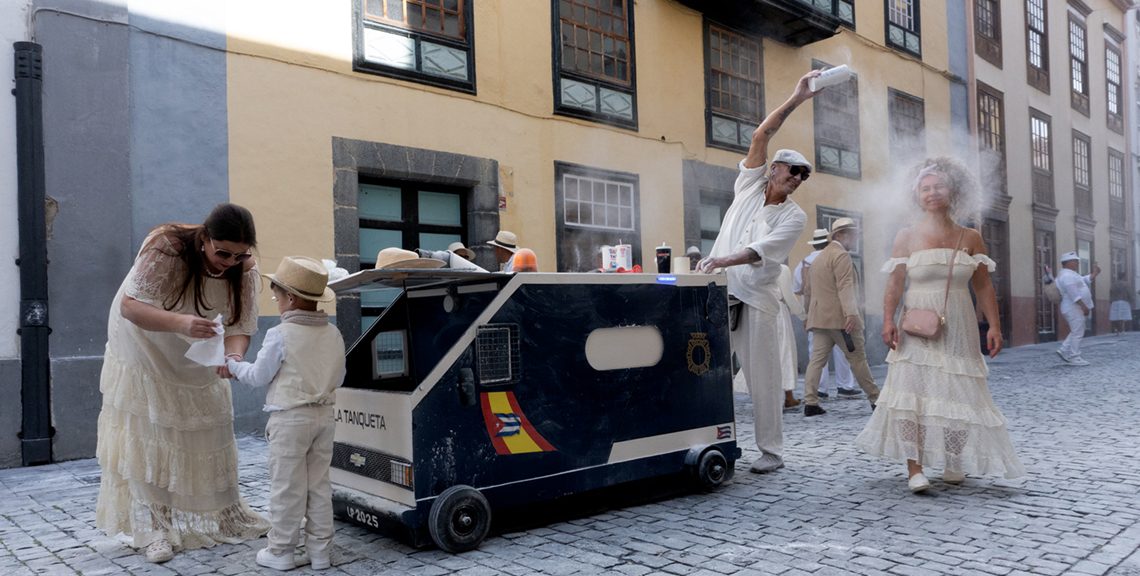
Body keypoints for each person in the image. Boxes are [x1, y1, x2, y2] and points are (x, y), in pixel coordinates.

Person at [95, 203, 270, 563]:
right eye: (222, 252)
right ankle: (159, 526)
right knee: (154, 429)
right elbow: (131, 306)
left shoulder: (245, 270)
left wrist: (232, 358)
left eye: (239, 255)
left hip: (197, 347)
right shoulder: (167, 246)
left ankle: (228, 513)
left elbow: (240, 328)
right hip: (143, 341)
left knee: (213, 424)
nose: (229, 262)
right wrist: (180, 323)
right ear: (204, 239)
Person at [856, 157, 1024, 493]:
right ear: (916, 195)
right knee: (911, 394)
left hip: (958, 323)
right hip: (916, 324)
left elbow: (983, 286)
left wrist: (994, 326)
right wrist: (888, 320)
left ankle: (952, 458)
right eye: (925, 188)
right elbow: (894, 283)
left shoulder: (971, 237)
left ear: (953, 191)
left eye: (938, 187)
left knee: (956, 391)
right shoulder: (906, 236)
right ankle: (914, 468)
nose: (932, 193)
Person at [696, 69, 821, 474]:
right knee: (703, 369)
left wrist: (720, 259)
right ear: (773, 170)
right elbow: (760, 137)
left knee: (764, 379)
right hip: (721, 293)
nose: (799, 179)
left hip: (757, 301)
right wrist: (797, 97)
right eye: (793, 171)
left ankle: (771, 452)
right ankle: (704, 438)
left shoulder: (796, 216)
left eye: (803, 176)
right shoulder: (748, 187)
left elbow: (759, 252)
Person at [227, 256, 346, 571]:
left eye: (276, 295)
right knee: (319, 485)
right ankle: (320, 552)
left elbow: (257, 377)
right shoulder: (333, 334)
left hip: (290, 418)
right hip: (324, 417)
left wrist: (232, 364)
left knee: (287, 486)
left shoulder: (280, 334)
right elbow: (340, 377)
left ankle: (281, 551)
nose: (275, 301)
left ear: (290, 298)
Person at [801, 218, 880, 416]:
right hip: (841, 320)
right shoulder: (841, 255)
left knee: (816, 361)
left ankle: (810, 402)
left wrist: (807, 316)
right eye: (852, 234)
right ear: (839, 236)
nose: (855, 238)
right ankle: (876, 399)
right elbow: (845, 287)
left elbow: (807, 291)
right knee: (858, 359)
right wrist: (851, 313)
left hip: (819, 319)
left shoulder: (818, 259)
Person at [793, 228, 857, 399]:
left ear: (814, 244)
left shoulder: (804, 263)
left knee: (816, 353)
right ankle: (845, 385)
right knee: (843, 348)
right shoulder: (836, 256)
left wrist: (804, 316)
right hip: (837, 309)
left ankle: (820, 389)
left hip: (815, 311)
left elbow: (799, 290)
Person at [1055, 252, 1099, 365]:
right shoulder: (1067, 276)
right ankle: (1074, 356)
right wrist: (1083, 306)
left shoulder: (1071, 274)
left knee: (1077, 330)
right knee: (1078, 332)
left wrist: (1094, 274)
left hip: (1073, 307)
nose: (1077, 263)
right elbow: (1073, 293)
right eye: (1075, 261)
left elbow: (1083, 281)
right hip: (1073, 307)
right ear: (1068, 263)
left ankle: (1064, 349)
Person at [776, 263, 804, 411]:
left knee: (766, 355)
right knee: (784, 352)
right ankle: (788, 396)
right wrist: (802, 315)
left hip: (759, 311)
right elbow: (788, 296)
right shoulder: (781, 269)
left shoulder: (754, 266)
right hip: (778, 314)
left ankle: (767, 398)